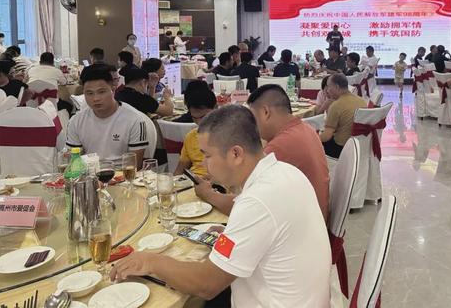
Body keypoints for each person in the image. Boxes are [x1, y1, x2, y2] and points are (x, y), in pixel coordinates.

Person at [111, 105, 331, 307]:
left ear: (236, 154)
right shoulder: (285, 172)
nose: (203, 164)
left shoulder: (257, 201)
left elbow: (207, 285)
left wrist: (151, 261)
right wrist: (231, 234)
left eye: (207, 155)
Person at [245, 85, 329, 221]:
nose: (253, 127)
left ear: (265, 112)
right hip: (316, 217)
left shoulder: (280, 146)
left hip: (301, 226)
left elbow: (248, 204)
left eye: (253, 119)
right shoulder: (305, 128)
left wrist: (210, 195)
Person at [66, 65, 148, 167]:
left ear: (113, 88)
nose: (96, 98)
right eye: (89, 93)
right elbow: (74, 162)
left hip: (122, 174)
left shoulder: (134, 119)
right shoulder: (76, 121)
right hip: (89, 173)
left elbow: (135, 166)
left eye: (101, 92)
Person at [318, 73, 367, 158]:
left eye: (329, 87)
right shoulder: (362, 101)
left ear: (337, 87)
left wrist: (311, 138)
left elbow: (326, 136)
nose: (327, 91)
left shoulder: (336, 105)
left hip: (341, 149)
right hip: (359, 146)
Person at [174, 88, 218, 177]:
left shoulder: (229, 135)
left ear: (216, 108)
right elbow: (179, 171)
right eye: (194, 118)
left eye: (203, 117)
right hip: (193, 180)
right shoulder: (191, 136)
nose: (199, 123)